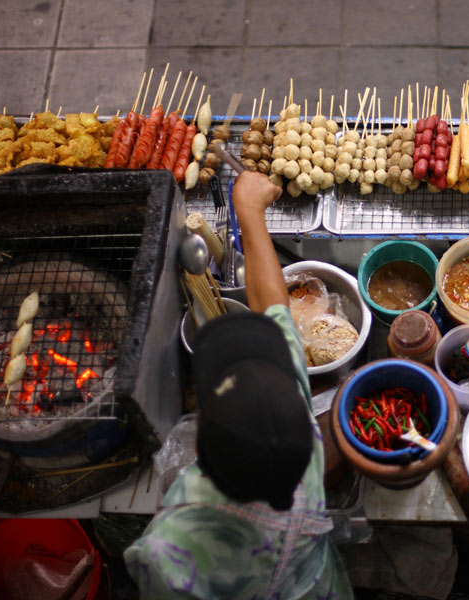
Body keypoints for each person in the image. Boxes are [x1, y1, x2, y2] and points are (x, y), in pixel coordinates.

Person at [124, 171, 353, 600]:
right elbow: (274, 306)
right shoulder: (299, 437)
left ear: (196, 450)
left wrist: (246, 204)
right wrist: (249, 212)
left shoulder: (166, 553)